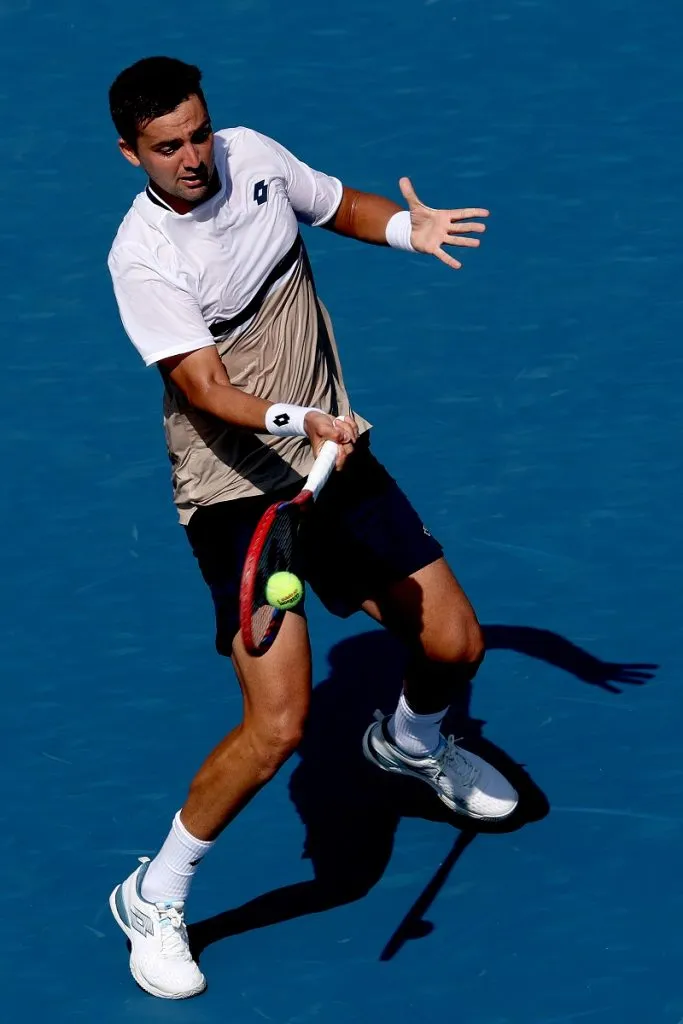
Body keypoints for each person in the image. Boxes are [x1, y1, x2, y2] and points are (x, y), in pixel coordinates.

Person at [106, 55, 518, 1000]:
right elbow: (204, 390)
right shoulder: (143, 260)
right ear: (131, 153)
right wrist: (302, 418)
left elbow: (337, 206)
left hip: (335, 460)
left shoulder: (253, 157)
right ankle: (156, 893)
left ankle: (409, 745)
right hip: (237, 493)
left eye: (198, 132)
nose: (194, 156)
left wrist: (411, 230)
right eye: (167, 147)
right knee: (279, 724)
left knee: (455, 644)